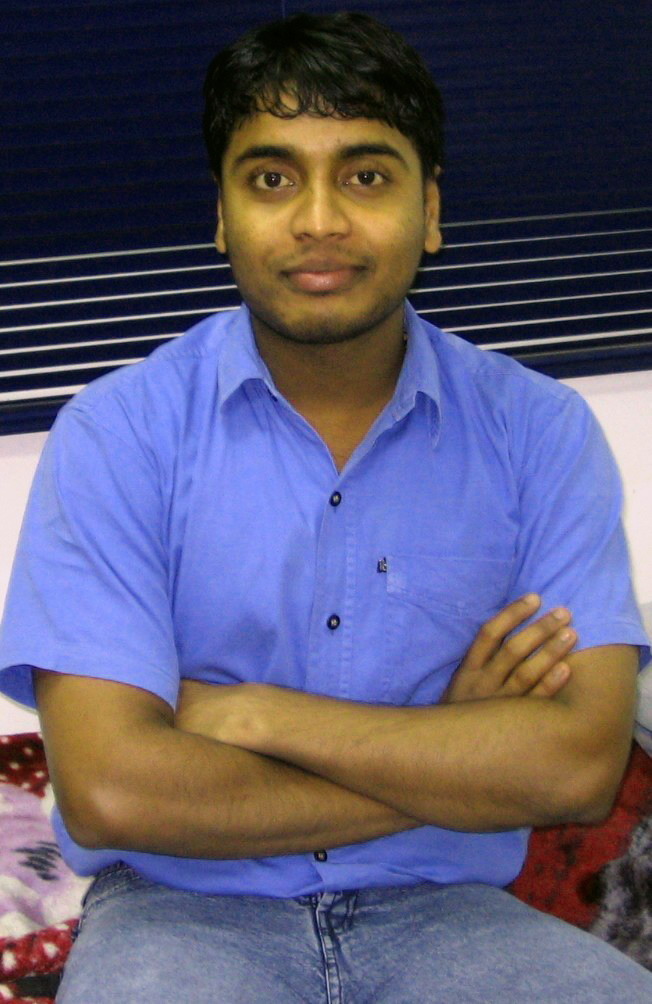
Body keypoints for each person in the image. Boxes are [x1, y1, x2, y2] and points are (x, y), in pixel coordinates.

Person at [1, 11, 651, 1002]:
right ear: (222, 217)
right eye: (271, 179)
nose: (317, 220)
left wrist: (250, 712)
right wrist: (447, 749)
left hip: (451, 910)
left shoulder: (539, 432)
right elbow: (112, 791)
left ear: (430, 210)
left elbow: (573, 769)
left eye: (366, 175)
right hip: (179, 912)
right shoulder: (118, 433)